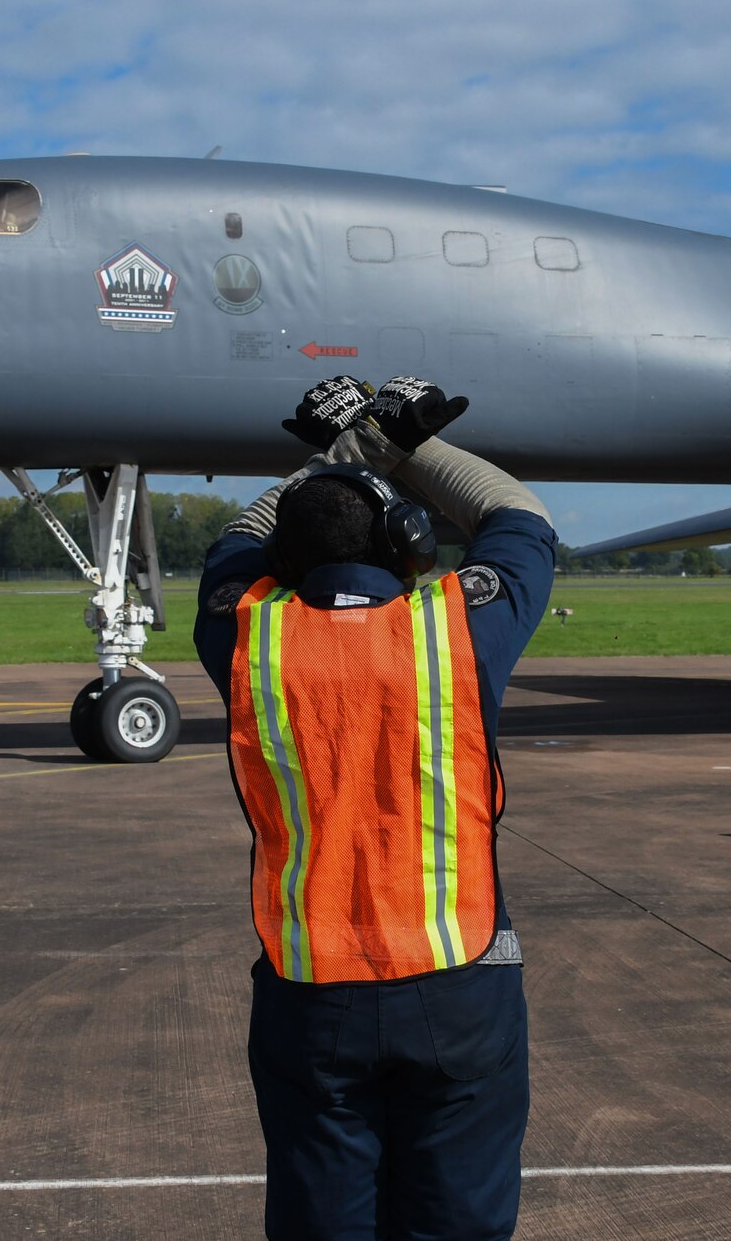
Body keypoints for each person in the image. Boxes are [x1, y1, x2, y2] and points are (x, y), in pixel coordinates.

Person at [193, 375, 556, 1240]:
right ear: (409, 542)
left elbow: (236, 540)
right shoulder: (454, 630)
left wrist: (340, 449)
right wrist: (403, 441)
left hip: (311, 993)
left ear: (283, 562)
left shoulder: (250, 633)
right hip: (458, 977)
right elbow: (521, 515)